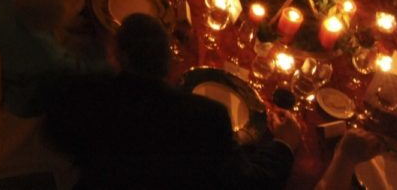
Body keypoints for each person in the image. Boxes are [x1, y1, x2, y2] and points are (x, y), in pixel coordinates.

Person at [42, 14, 299, 189]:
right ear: (170, 61)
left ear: (117, 54)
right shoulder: (207, 117)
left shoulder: (89, 95)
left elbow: (54, 133)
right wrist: (284, 144)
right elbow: (249, 183)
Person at [0, 0, 105, 116]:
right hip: (18, 91)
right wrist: (110, 61)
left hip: (1, 34)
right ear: (47, 27)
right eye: (70, 17)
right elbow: (78, 67)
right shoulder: (46, 52)